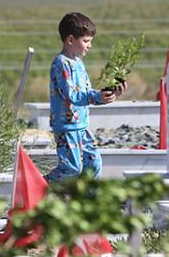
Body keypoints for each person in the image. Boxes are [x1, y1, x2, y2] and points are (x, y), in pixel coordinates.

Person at [45, 12, 126, 181]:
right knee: (72, 168)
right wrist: (96, 96)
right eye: (86, 41)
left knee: (94, 163)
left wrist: (108, 94)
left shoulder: (78, 62)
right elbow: (72, 95)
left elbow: (87, 92)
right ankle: (39, 187)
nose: (89, 46)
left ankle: (90, 201)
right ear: (70, 40)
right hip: (67, 127)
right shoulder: (61, 64)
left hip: (82, 124)